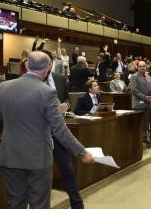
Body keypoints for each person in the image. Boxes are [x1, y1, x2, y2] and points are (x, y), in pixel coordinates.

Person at [0, 51, 94, 209]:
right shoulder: (47, 92)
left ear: (27, 65)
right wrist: (82, 152)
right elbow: (59, 129)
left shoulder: (3, 87)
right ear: (48, 68)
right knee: (39, 204)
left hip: (10, 157)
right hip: (38, 159)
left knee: (16, 204)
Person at [41, 50, 84, 209]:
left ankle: (77, 204)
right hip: (41, 134)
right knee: (43, 174)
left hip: (59, 131)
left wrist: (67, 104)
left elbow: (67, 97)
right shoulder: (35, 82)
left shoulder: (60, 79)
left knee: (67, 169)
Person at [129, 61, 151, 144]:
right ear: (137, 67)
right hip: (138, 104)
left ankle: (145, 137)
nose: (143, 68)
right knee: (138, 123)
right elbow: (134, 90)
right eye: (141, 66)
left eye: (144, 66)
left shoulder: (149, 77)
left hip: (148, 103)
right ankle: (137, 139)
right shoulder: (134, 77)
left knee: (146, 122)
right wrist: (144, 98)